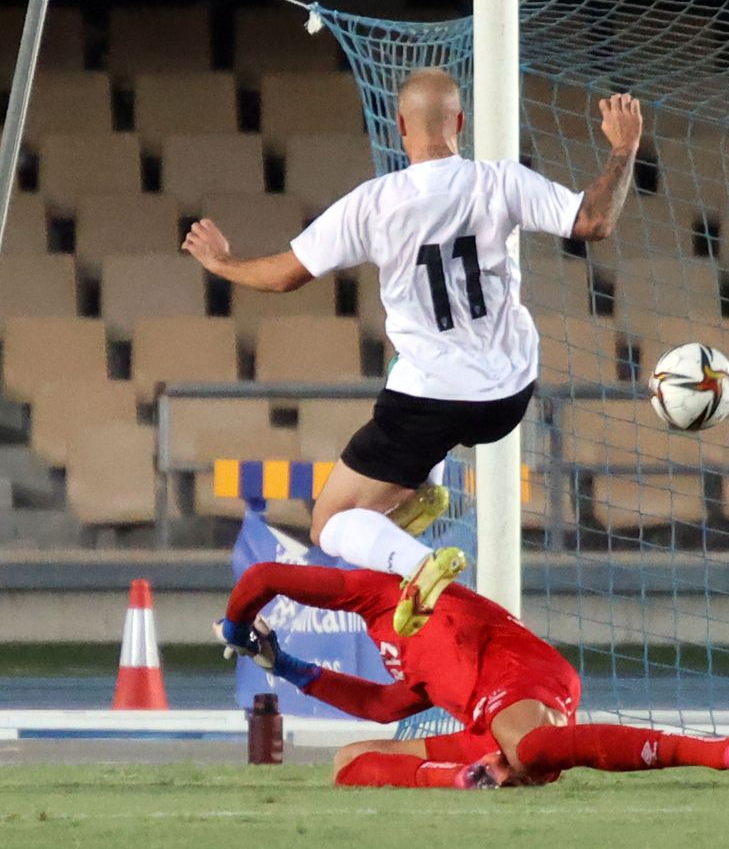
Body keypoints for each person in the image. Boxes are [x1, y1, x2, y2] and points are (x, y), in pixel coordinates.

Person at [182, 68, 642, 635]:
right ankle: (420, 494)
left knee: (330, 522)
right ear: (460, 123)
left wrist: (222, 262)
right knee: (407, 376)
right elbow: (594, 220)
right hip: (508, 395)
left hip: (429, 405)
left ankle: (422, 563)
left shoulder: (374, 204)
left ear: (399, 126)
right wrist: (623, 148)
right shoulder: (502, 181)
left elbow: (283, 277)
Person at [215, 561, 729, 789]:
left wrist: (236, 626)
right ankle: (467, 780)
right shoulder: (393, 644)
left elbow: (263, 577)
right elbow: (386, 706)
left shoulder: (389, 589)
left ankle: (724, 751)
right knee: (349, 763)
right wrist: (282, 664)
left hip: (520, 673)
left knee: (531, 748)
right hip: (486, 720)